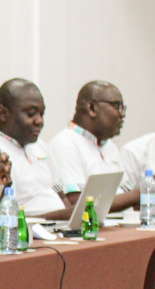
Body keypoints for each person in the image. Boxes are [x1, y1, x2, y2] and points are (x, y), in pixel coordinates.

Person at [0, 80, 70, 222]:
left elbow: (61, 196)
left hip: (61, 228)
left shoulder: (39, 145)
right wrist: (60, 217)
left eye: (41, 114)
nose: (39, 121)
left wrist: (74, 219)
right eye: (31, 114)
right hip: (27, 231)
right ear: (3, 113)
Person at [48, 80, 142, 214]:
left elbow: (126, 195)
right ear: (92, 108)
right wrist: (138, 195)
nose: (122, 114)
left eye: (123, 108)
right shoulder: (65, 145)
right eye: (116, 106)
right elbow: (77, 204)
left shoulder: (109, 146)